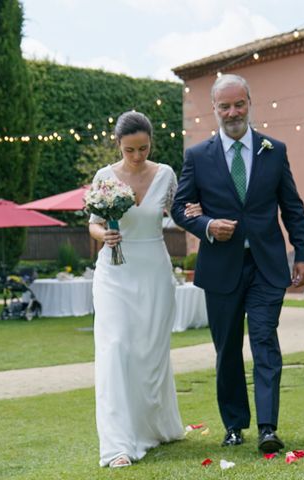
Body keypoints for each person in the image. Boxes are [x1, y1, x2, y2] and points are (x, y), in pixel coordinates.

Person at [171, 74, 304, 454]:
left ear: (250, 102)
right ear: (214, 110)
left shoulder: (275, 150)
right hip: (220, 269)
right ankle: (234, 425)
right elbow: (179, 208)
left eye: (239, 104)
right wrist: (206, 226)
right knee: (227, 349)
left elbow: (293, 209)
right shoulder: (197, 156)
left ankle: (268, 427)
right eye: (224, 106)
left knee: (265, 341)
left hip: (267, 266)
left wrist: (303, 254)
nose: (232, 112)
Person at [88, 111, 201, 468]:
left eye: (143, 148)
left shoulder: (165, 173)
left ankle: (153, 427)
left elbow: (178, 211)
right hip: (114, 273)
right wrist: (103, 235)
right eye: (129, 150)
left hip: (154, 270)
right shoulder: (104, 177)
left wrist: (198, 212)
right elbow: (92, 224)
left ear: (151, 143)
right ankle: (118, 444)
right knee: (116, 348)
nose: (136, 156)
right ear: (118, 145)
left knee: (150, 354)